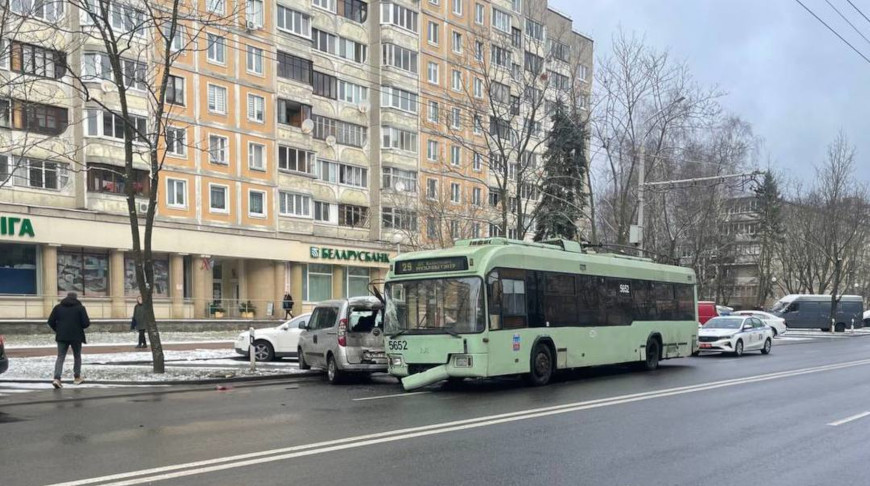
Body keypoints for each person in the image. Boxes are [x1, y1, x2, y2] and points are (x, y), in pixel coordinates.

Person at [47, 292, 90, 388]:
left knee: (60, 357)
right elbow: (86, 323)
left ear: (66, 297)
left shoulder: (58, 307)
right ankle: (77, 377)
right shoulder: (80, 308)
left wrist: (58, 329)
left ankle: (57, 378)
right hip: (76, 336)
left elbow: (50, 321)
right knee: (77, 356)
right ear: (76, 298)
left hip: (62, 336)